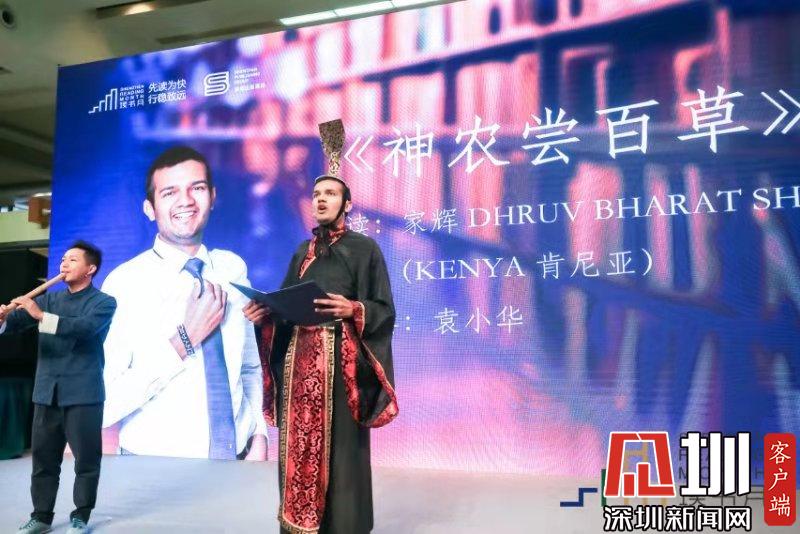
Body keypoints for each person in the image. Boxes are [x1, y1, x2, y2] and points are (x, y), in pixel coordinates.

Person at [244, 174, 399, 534]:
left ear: (347, 204)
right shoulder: (303, 252)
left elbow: (384, 310)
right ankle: (299, 524)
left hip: (341, 368)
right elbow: (285, 305)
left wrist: (354, 309)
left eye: (330, 193)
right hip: (299, 367)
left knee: (341, 452)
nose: (321, 200)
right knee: (299, 448)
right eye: (316, 194)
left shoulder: (365, 249)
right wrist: (264, 315)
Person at [101, 145, 267, 460]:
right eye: (169, 193)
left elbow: (248, 366)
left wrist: (258, 433)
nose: (186, 200)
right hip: (156, 465)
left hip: (239, 457)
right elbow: (103, 403)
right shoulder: (123, 284)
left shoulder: (232, 268)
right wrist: (185, 339)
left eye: (197, 188)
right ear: (149, 208)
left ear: (212, 197)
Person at [1, 241, 117, 534]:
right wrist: (4, 319)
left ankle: (80, 516)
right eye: (63, 259)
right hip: (46, 391)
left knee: (86, 460)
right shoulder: (50, 299)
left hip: (83, 392)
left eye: (73, 260)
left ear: (90, 269)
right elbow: (16, 323)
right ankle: (41, 516)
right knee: (43, 460)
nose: (64, 264)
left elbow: (83, 329)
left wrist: (40, 316)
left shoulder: (104, 302)